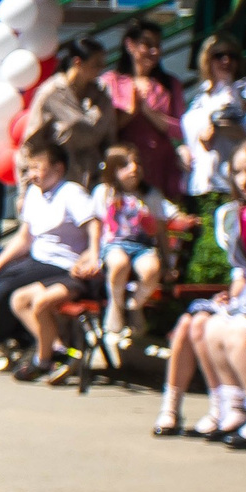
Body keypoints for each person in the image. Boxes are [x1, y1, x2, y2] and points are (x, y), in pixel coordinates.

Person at [156, 140, 246, 442]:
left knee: (237, 332)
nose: (245, 180)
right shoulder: (240, 215)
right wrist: (233, 292)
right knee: (212, 326)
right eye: (238, 172)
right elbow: (245, 270)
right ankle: (233, 407)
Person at [0, 127, 104, 383]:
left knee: (5, 290)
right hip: (37, 258)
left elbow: (93, 223)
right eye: (29, 169)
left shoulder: (71, 192)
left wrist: (93, 254)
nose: (32, 175)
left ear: (58, 169)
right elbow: (24, 238)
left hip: (62, 263)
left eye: (37, 168)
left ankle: (4, 341)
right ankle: (38, 345)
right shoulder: (33, 194)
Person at [92, 143, 176, 353]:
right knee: (119, 264)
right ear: (113, 170)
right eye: (125, 165)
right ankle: (116, 306)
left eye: (136, 163)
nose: (134, 168)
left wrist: (167, 261)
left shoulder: (150, 195)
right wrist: (93, 254)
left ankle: (134, 304)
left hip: (141, 246)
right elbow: (96, 225)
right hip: (114, 245)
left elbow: (160, 229)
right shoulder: (105, 193)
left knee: (151, 270)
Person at [101, 20, 189, 205]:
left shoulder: (170, 85)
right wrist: (131, 112)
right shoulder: (111, 82)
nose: (154, 52)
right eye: (147, 45)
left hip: (162, 168)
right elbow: (104, 130)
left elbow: (180, 129)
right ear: (130, 45)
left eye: (158, 46)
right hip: (125, 171)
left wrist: (149, 112)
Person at [26, 37, 118, 186]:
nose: (101, 68)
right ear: (78, 62)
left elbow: (110, 138)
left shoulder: (101, 95)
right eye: (96, 64)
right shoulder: (52, 94)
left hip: (95, 178)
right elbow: (31, 143)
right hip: (61, 180)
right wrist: (26, 189)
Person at [183, 38, 246, 196]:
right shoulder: (199, 97)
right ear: (207, 59)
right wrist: (184, 150)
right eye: (219, 55)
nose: (226, 60)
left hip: (230, 185)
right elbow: (191, 138)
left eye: (232, 55)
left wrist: (220, 128)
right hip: (199, 186)